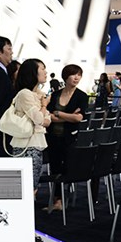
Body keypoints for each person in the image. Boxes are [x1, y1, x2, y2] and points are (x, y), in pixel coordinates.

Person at [46, 64, 87, 210]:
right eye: (73, 74)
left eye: (79, 75)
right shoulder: (55, 95)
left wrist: (59, 113)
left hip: (70, 138)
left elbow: (78, 118)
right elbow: (48, 116)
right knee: (55, 168)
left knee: (67, 168)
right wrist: (68, 116)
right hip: (53, 137)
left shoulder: (81, 96)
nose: (77, 77)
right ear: (65, 76)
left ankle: (65, 197)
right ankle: (57, 200)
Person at [9, 59, 51, 196]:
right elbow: (39, 119)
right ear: (33, 72)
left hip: (36, 144)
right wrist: (44, 106)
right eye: (42, 69)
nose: (45, 72)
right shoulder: (25, 94)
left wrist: (43, 115)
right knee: (26, 187)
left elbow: (47, 120)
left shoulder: (40, 94)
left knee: (32, 186)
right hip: (26, 145)